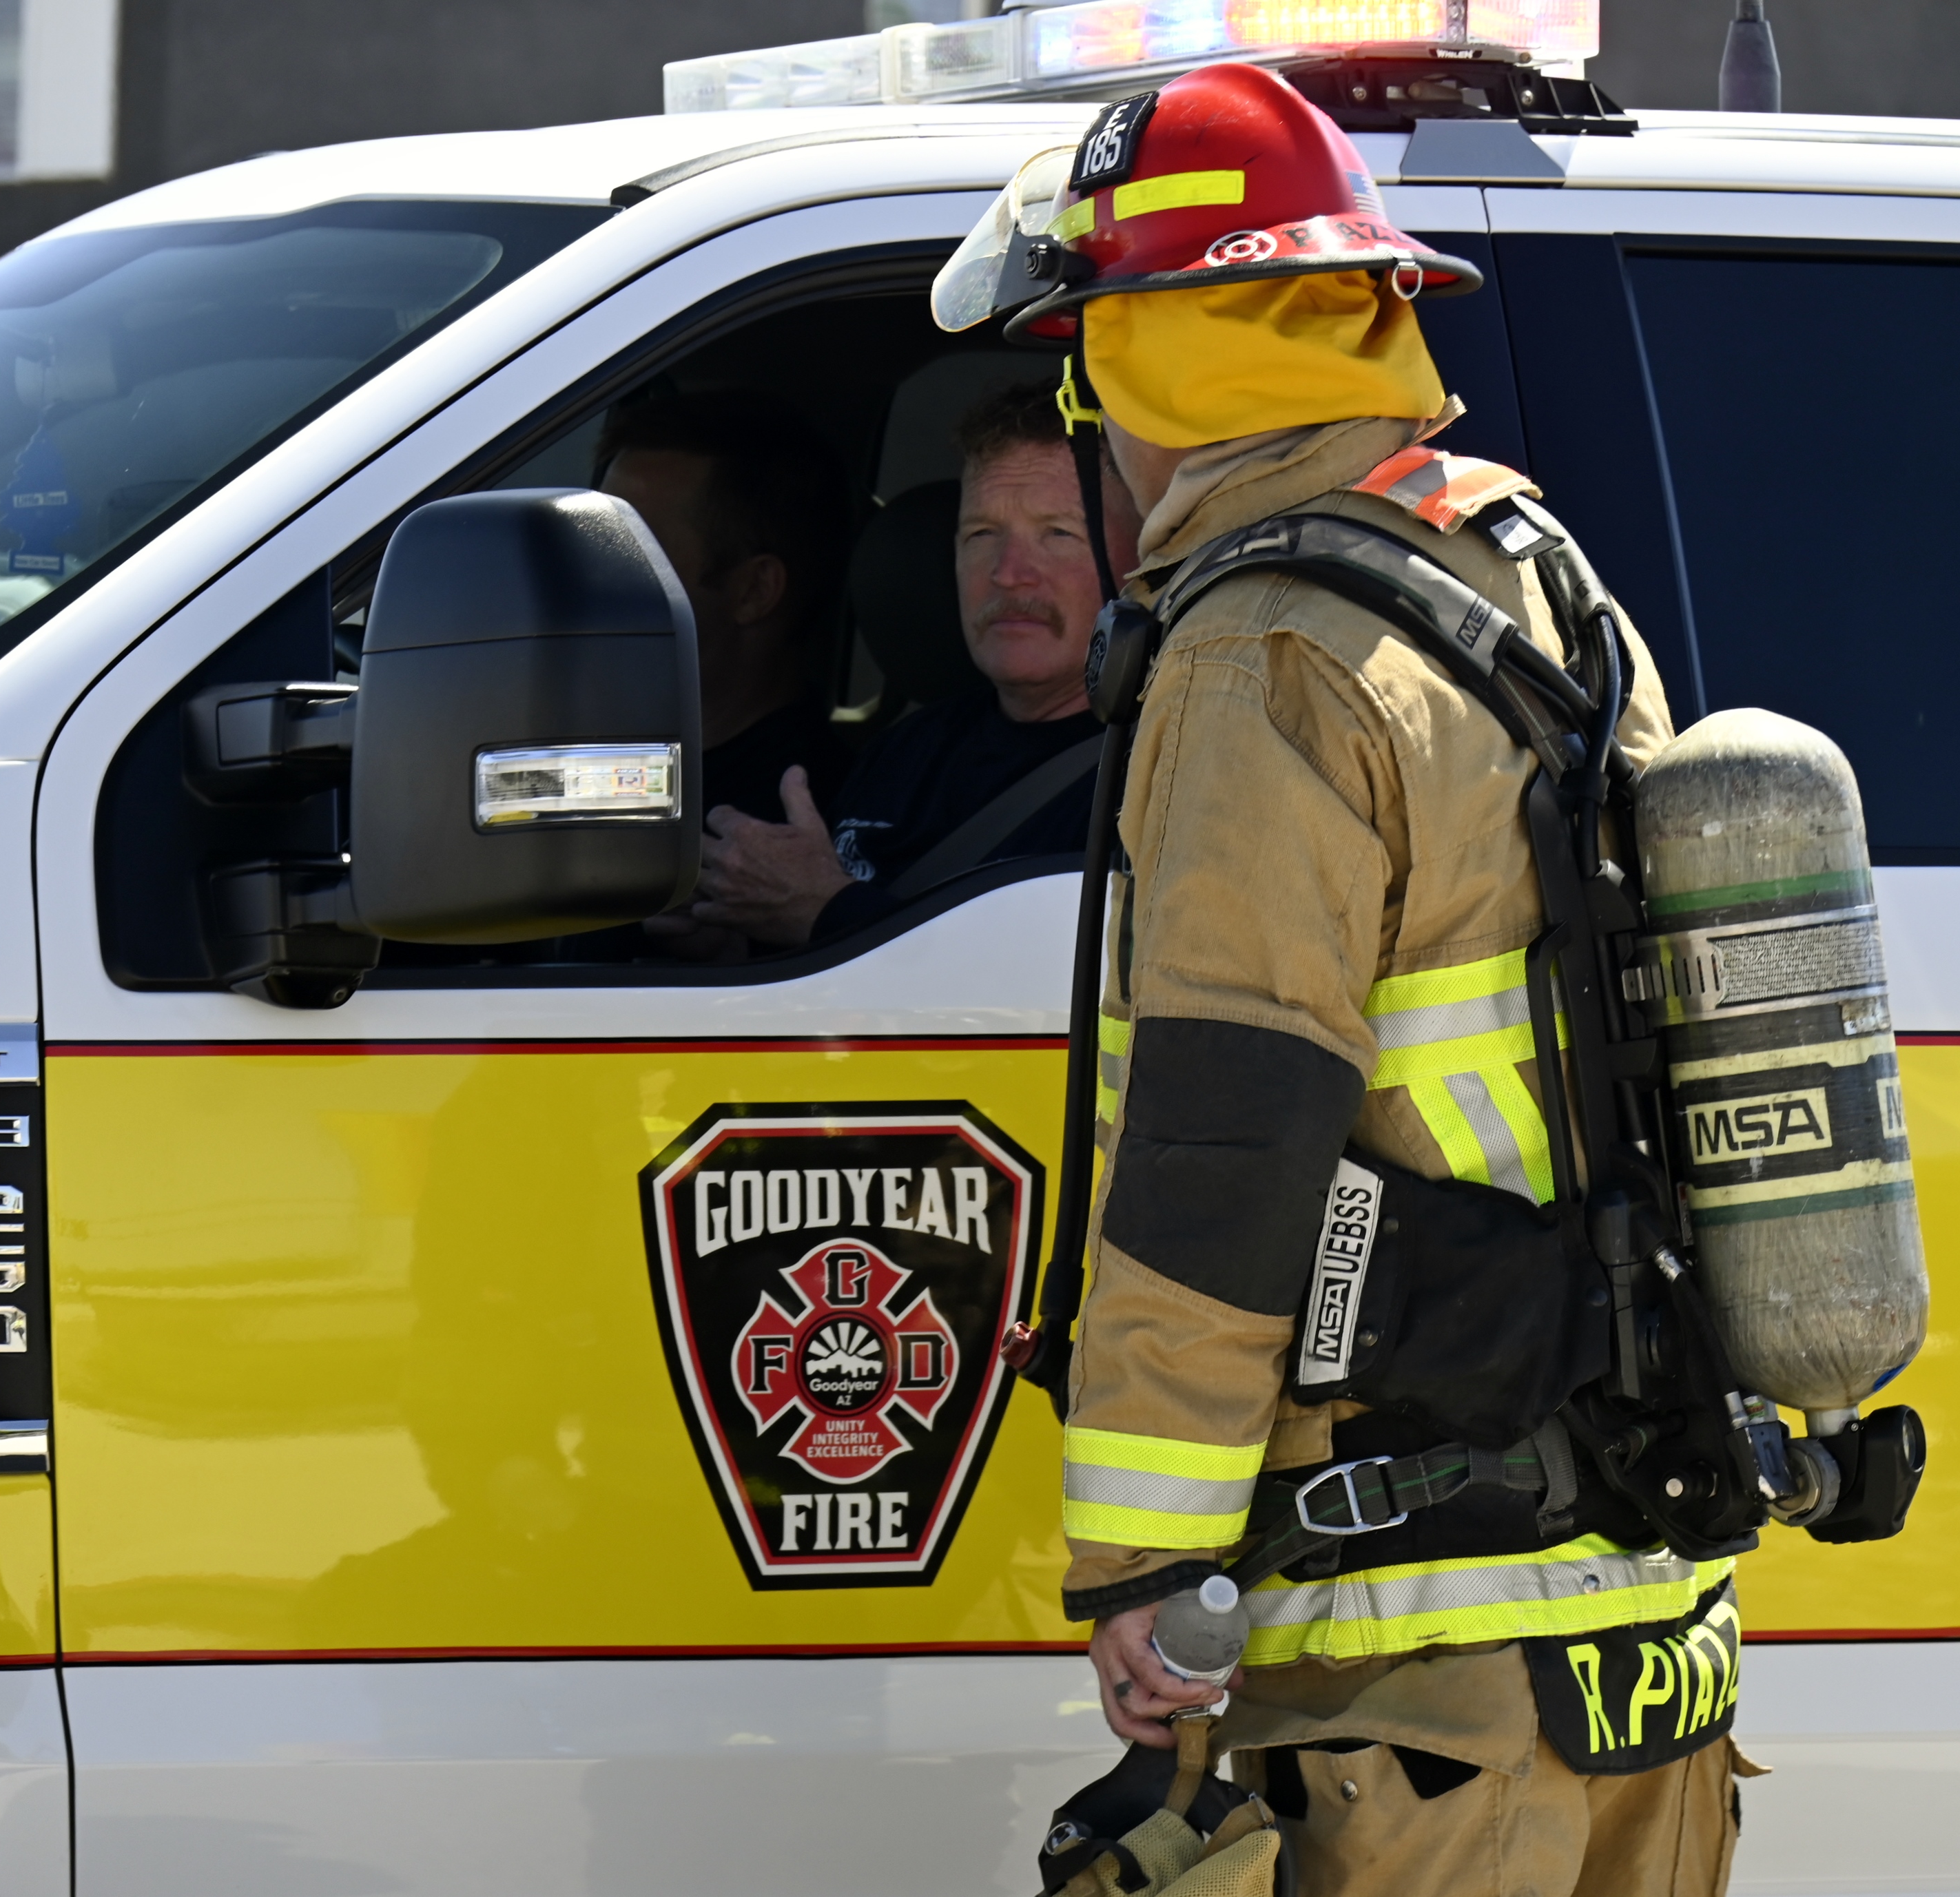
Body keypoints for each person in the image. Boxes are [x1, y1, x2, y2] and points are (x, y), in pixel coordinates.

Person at [970, 64, 1753, 1897]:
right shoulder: (1530, 578)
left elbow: (1222, 1146)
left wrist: (1148, 1568)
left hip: (1419, 1657)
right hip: (1638, 1620)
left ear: (1140, 369)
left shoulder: (1263, 658)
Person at [677, 378, 1141, 948]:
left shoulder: (1155, 774)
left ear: (1144, 559)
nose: (1006, 572)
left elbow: (1059, 986)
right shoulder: (906, 753)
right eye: (981, 533)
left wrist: (826, 914)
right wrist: (739, 944)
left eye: (1059, 534)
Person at [592, 389, 852, 824]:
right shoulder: (611, 760)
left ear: (754, 591)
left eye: (629, 552)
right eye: (590, 543)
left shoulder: (785, 830)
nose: (589, 581)